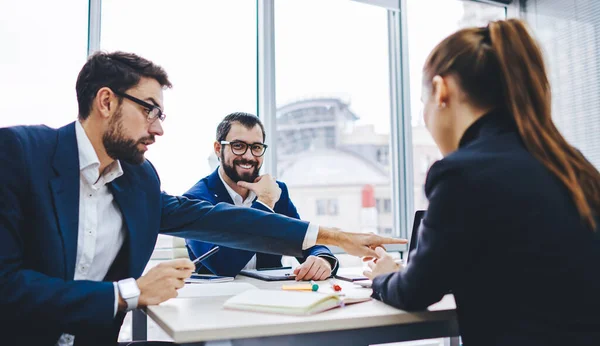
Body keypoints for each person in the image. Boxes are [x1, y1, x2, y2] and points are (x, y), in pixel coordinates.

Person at [0, 51, 404, 346]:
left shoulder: (138, 181)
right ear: (106, 102)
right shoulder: (19, 154)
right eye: (150, 111)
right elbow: (7, 286)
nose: (158, 130)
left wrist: (336, 238)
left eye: (162, 115)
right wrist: (131, 292)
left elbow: (225, 222)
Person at [364, 19, 600, 346]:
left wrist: (382, 277)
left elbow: (414, 291)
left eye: (424, 105)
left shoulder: (461, 174)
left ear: (441, 91)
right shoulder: (574, 165)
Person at [185, 112, 338, 280]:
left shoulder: (276, 191)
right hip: (216, 299)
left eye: (256, 147)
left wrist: (323, 259)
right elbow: (222, 264)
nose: (249, 156)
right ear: (218, 149)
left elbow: (304, 239)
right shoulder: (196, 200)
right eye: (238, 146)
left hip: (270, 297)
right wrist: (264, 204)